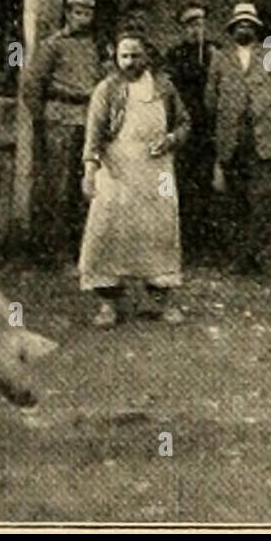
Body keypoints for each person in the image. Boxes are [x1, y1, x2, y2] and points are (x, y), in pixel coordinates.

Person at [78, 28, 190, 327]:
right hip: (116, 169)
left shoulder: (164, 87)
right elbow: (94, 134)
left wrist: (170, 139)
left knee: (161, 229)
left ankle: (162, 301)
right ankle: (107, 304)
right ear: (116, 57)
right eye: (124, 56)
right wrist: (90, 169)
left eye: (135, 55)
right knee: (108, 231)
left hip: (158, 170)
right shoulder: (107, 89)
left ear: (147, 57)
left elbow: (184, 123)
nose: (129, 61)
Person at [21, 0, 102, 270]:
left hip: (86, 120)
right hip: (59, 118)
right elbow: (31, 86)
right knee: (57, 188)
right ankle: (53, 253)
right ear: (68, 14)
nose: (84, 18)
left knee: (83, 188)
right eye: (79, 12)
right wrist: (42, 120)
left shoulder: (93, 46)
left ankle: (80, 252)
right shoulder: (53, 44)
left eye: (89, 13)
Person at [206, 2, 271, 279]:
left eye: (249, 24)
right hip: (232, 137)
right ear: (232, 29)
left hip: (262, 137)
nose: (244, 28)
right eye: (239, 24)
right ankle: (238, 257)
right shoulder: (220, 58)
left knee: (262, 199)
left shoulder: (270, 54)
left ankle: (265, 258)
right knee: (234, 200)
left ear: (256, 28)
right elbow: (210, 99)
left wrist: (266, 114)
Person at [165, 1, 219, 263]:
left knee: (207, 187)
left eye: (200, 24)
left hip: (209, 130)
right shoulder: (174, 57)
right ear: (182, 29)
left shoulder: (214, 53)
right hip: (185, 129)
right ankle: (183, 246)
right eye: (190, 25)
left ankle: (207, 246)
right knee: (182, 186)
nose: (196, 30)